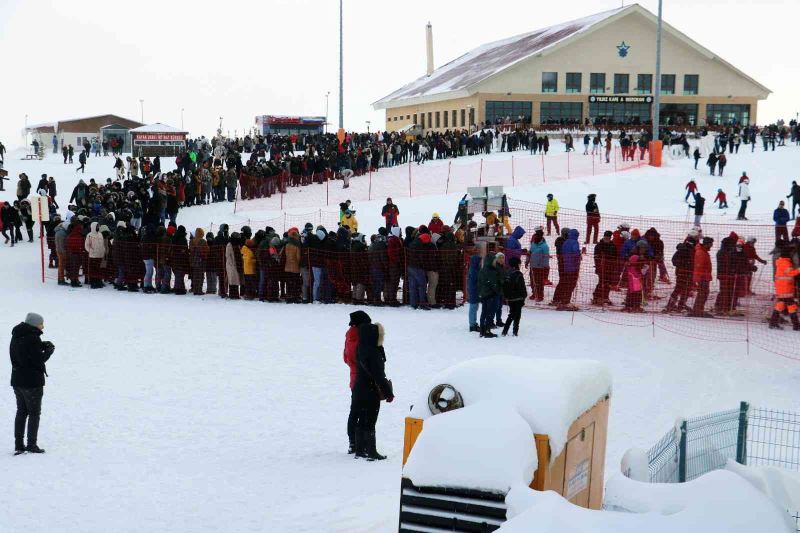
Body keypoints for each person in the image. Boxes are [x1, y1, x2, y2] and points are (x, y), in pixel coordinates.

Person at [10, 312, 54, 454]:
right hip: (32, 382)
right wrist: (48, 351)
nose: (43, 326)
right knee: (34, 413)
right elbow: (37, 360)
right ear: (35, 324)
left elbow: (25, 352)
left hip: (17, 380)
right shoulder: (32, 338)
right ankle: (31, 444)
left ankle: (18, 444)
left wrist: (41, 344)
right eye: (41, 323)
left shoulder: (17, 335)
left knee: (21, 412)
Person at [353, 321, 393, 460]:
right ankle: (371, 451)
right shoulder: (374, 352)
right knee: (370, 421)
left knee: (361, 419)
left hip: (359, 388)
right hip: (370, 390)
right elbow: (379, 376)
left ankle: (359, 450)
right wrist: (389, 393)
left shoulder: (360, 348)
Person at [344, 310, 371, 454]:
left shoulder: (349, 336)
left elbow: (346, 358)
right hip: (361, 378)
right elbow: (362, 358)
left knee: (355, 411)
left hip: (354, 377)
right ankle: (358, 443)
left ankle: (353, 442)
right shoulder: (360, 337)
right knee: (360, 411)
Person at [769, 245, 800, 330]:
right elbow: (791, 273)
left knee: (781, 305)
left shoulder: (783, 261)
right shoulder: (784, 262)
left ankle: (773, 322)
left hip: (784, 287)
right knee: (791, 305)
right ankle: (796, 325)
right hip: (785, 288)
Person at [501, 257, 527, 336]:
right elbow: (522, 287)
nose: (520, 265)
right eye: (519, 263)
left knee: (511, 314)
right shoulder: (518, 274)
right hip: (518, 298)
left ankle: (505, 331)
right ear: (516, 264)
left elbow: (504, 286)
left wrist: (506, 296)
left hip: (510, 298)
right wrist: (524, 295)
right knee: (517, 314)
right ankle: (515, 331)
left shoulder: (507, 273)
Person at [478, 252, 501, 338]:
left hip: (484, 295)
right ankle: (487, 330)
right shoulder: (491, 271)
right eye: (494, 261)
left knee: (484, 312)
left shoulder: (482, 270)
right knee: (490, 313)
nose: (495, 262)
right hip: (491, 295)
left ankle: (482, 330)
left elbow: (479, 283)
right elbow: (494, 284)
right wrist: (497, 291)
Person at [690, 237, 714, 318]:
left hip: (704, 276)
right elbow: (698, 267)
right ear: (707, 244)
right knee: (702, 293)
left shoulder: (703, 251)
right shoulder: (701, 252)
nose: (711, 246)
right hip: (703, 277)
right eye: (710, 244)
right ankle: (697, 310)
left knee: (704, 293)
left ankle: (698, 309)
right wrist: (698, 278)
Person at [592, 231, 617, 306]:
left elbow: (615, 257)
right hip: (601, 267)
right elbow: (596, 257)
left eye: (608, 237)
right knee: (602, 282)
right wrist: (597, 266)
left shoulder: (613, 246)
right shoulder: (599, 246)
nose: (607, 238)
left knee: (608, 282)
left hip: (610, 267)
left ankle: (605, 296)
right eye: (606, 237)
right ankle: (596, 296)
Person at [466, 255, 482, 332]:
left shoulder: (475, 269)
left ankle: (474, 323)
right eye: (479, 261)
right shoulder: (474, 270)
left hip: (475, 290)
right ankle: (472, 325)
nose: (481, 263)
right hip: (474, 291)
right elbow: (476, 281)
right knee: (473, 308)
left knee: (475, 308)